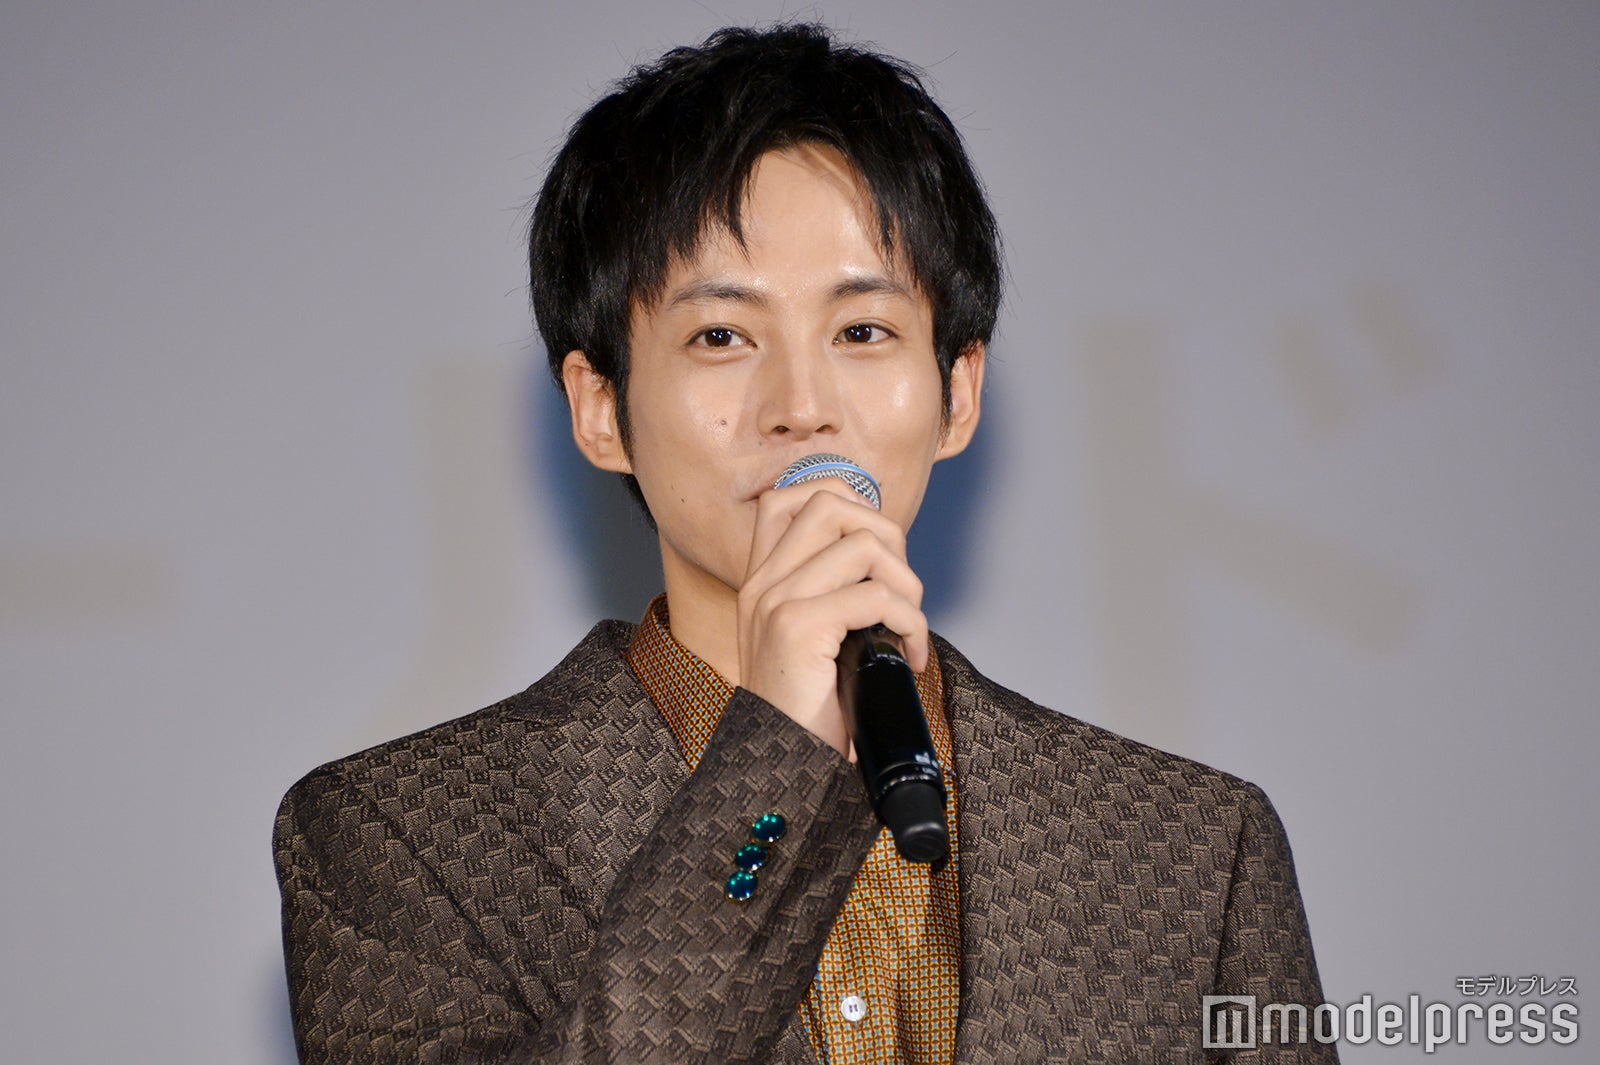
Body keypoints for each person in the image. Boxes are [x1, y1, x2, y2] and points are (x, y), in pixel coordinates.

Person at [275, 23, 1334, 1064]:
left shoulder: (1192, 848)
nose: (800, 406)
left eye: (862, 331)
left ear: (959, 392)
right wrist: (772, 755)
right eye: (721, 336)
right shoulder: (401, 837)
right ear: (600, 409)